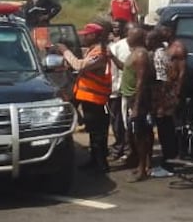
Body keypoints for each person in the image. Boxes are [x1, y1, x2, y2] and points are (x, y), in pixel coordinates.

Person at [55, 23, 112, 174]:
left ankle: (101, 164)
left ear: (94, 35)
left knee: (98, 134)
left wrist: (65, 51)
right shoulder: (93, 50)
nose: (83, 37)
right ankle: (94, 160)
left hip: (96, 99)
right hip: (89, 98)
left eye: (86, 35)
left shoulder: (99, 52)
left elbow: (80, 66)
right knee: (93, 132)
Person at [150, 22, 187, 177]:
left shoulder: (177, 48)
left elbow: (181, 74)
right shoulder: (167, 47)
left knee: (167, 130)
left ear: (170, 31)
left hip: (169, 94)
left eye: (163, 29)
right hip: (164, 93)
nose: (160, 31)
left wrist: (175, 95)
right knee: (164, 128)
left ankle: (169, 164)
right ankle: (168, 160)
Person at [119, 27, 154, 182]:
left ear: (137, 38)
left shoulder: (140, 55)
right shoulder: (133, 53)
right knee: (136, 134)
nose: (127, 38)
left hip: (137, 99)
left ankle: (142, 169)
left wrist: (137, 106)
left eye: (129, 35)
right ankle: (143, 164)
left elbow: (141, 82)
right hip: (130, 97)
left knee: (140, 134)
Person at [107, 22, 135, 162]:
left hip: (134, 91)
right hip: (118, 90)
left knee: (130, 122)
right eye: (131, 32)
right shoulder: (116, 47)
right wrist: (113, 90)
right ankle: (120, 147)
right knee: (118, 121)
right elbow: (113, 72)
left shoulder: (142, 47)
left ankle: (129, 150)